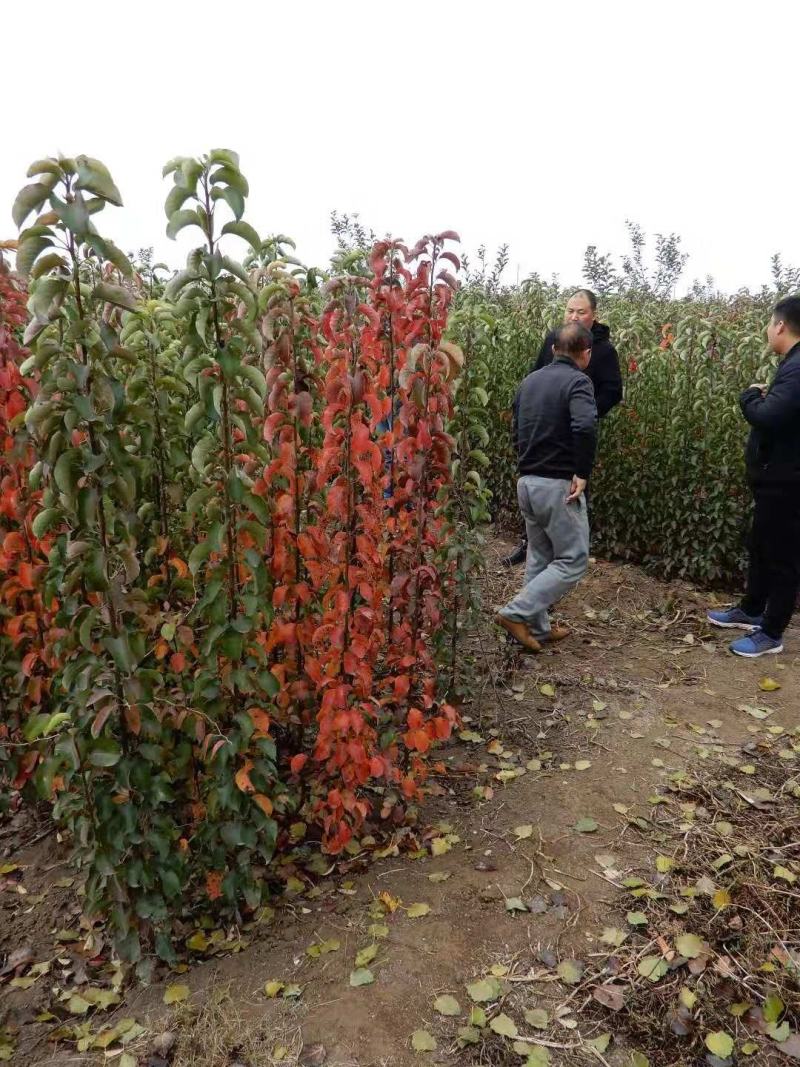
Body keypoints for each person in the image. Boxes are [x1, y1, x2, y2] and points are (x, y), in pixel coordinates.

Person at [707, 296, 800, 657]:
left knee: (781, 555)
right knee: (761, 546)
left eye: (769, 323)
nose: (767, 329)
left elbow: (768, 416)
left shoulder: (796, 368)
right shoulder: (791, 366)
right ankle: (751, 609)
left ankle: (771, 632)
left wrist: (749, 397)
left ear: (780, 326)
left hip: (787, 482)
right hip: (775, 478)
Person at [495, 323, 597, 651]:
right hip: (557, 485)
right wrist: (581, 472)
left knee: (540, 555)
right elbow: (584, 426)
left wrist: (524, 467)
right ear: (586, 354)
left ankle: (537, 628)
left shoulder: (529, 382)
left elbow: (515, 429)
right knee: (574, 559)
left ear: (553, 350)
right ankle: (516, 612)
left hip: (527, 482)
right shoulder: (579, 381)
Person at [501, 289, 622, 566]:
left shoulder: (603, 350)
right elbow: (535, 376)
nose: (575, 316)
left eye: (581, 312)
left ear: (594, 315)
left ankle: (564, 556)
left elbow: (613, 391)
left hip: (576, 432)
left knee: (572, 487)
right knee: (540, 492)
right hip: (545, 428)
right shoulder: (554, 341)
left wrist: (587, 411)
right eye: (570, 310)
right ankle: (532, 546)